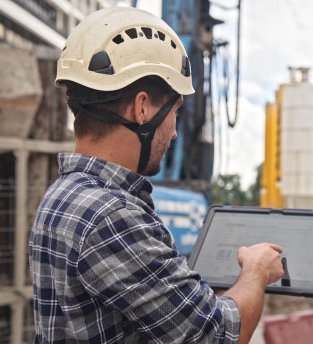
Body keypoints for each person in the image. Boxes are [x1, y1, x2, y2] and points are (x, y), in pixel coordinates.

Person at [28, 7, 283, 344]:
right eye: (174, 112)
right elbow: (218, 336)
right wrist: (256, 271)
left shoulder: (61, 194)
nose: (175, 132)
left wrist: (205, 294)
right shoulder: (112, 216)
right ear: (143, 108)